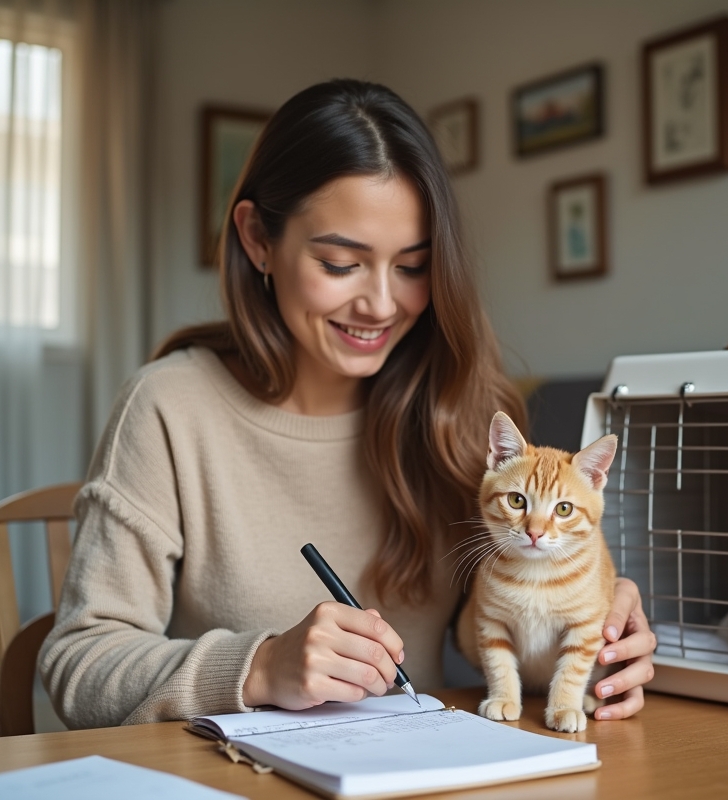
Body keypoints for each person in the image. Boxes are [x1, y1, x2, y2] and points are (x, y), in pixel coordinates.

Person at [39, 79, 655, 729]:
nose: (382, 305)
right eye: (341, 263)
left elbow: (487, 645)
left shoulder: (457, 412)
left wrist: (592, 631)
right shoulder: (169, 408)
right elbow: (79, 665)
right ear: (257, 240)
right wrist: (260, 666)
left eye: (414, 267)